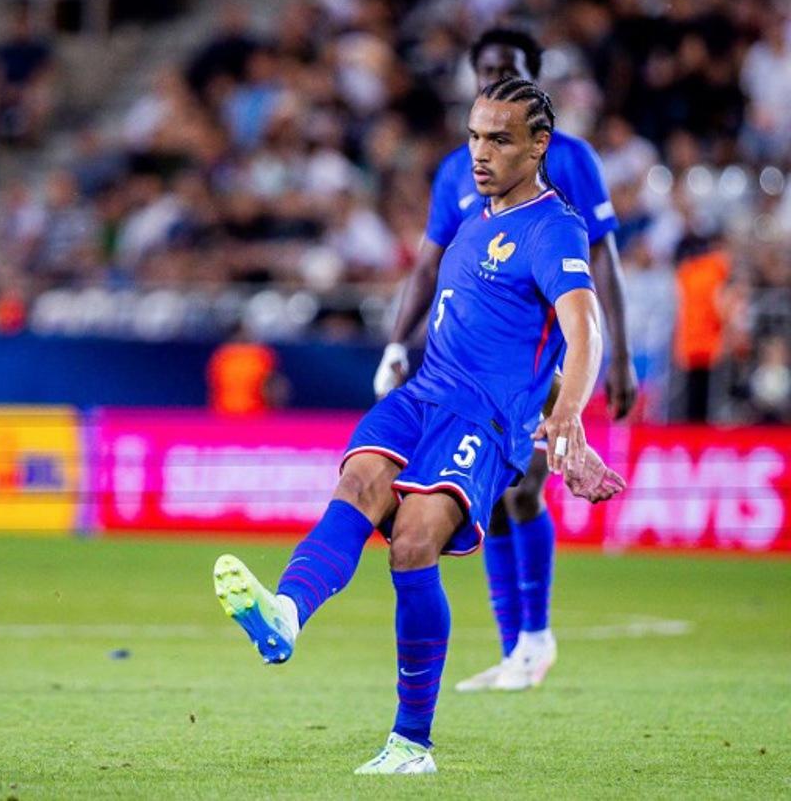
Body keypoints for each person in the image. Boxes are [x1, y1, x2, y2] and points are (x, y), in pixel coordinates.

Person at [214, 77, 618, 775]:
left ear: (539, 146)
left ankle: (411, 742)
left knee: (412, 541)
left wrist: (569, 416)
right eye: (473, 136)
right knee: (358, 480)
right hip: (420, 395)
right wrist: (399, 349)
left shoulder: (555, 228)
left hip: (482, 422)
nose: (480, 153)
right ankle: (284, 614)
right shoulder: (474, 220)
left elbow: (586, 330)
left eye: (499, 139)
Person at [371, 28, 638, 693]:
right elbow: (430, 262)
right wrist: (396, 344)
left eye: (507, 69)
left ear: (533, 78)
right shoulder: (456, 170)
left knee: (520, 490)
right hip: (462, 366)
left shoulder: (569, 160)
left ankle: (534, 636)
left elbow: (597, 258)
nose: (493, 78)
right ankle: (518, 644)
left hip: (538, 359)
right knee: (492, 502)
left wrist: (618, 358)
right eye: (485, 69)